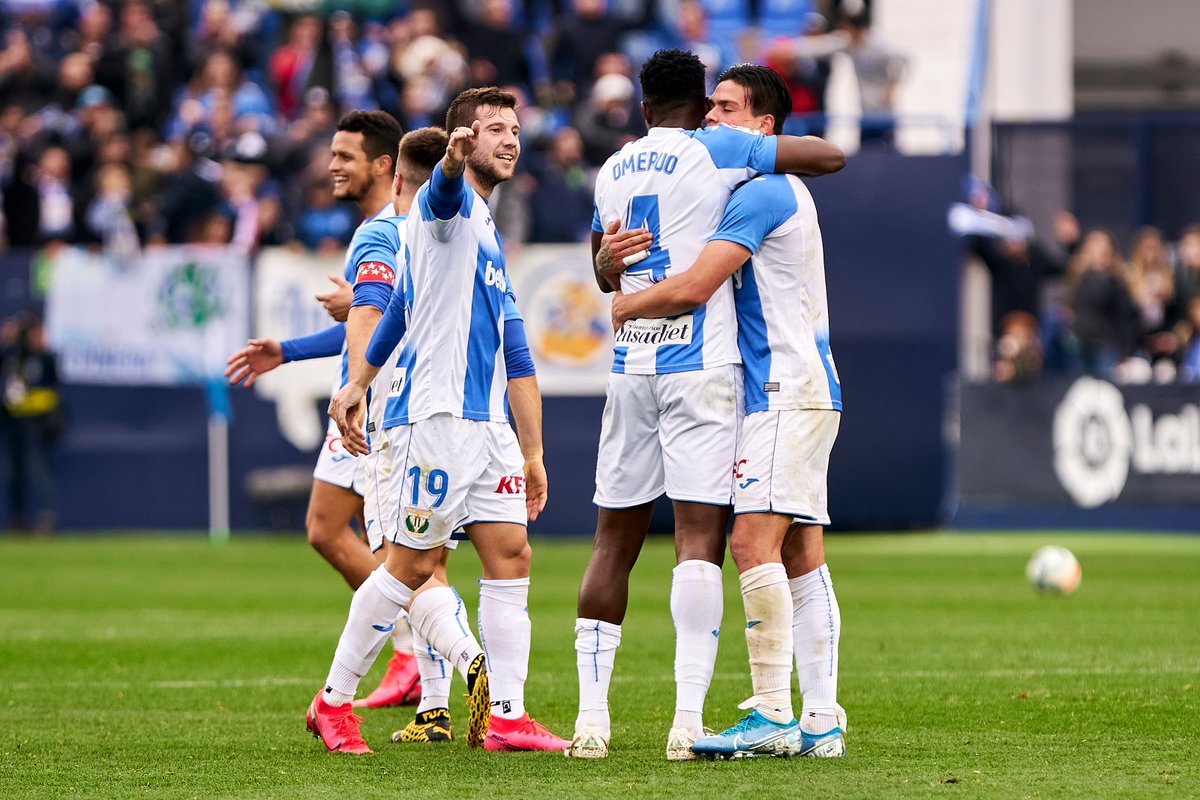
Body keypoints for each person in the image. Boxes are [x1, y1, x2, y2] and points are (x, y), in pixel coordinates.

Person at [567, 49, 845, 761]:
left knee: (702, 543)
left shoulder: (619, 166)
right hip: (726, 378)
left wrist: (620, 293)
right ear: (693, 106)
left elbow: (633, 275)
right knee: (769, 546)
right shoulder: (718, 160)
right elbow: (830, 154)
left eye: (730, 109)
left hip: (731, 379)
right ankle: (789, 718)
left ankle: (765, 713)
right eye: (712, 106)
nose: (716, 119)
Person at [316, 86, 569, 754]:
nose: (510, 139)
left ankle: (506, 717)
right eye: (494, 129)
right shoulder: (442, 209)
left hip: (486, 426)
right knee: (411, 565)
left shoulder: (486, 229)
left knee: (511, 554)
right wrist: (452, 164)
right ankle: (333, 702)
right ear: (463, 138)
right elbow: (444, 191)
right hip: (434, 417)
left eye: (514, 129)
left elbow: (506, 345)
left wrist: (533, 451)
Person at [224, 110, 423, 709]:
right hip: (368, 396)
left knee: (393, 550)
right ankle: (414, 650)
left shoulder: (390, 230)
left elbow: (383, 321)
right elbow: (367, 322)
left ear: (383, 164)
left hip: (381, 402)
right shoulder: (391, 228)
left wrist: (358, 311)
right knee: (336, 529)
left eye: (344, 156)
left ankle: (428, 656)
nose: (332, 165)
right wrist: (288, 350)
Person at [2, 312, 62, 532]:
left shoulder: (44, 356)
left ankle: (47, 515)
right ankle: (17, 517)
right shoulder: (11, 354)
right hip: (10, 420)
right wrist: (7, 341)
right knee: (11, 472)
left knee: (37, 469)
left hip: (35, 423)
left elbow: (53, 385)